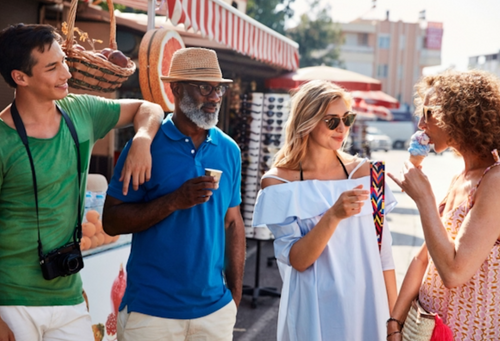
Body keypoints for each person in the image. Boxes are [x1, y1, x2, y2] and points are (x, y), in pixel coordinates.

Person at [0, 23, 164, 341]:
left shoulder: (82, 112)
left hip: (69, 296)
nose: (66, 74)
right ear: (20, 77)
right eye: (52, 67)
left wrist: (142, 139)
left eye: (63, 61)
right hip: (10, 301)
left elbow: (148, 108)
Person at [102, 47, 246, 341]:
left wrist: (235, 294)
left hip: (214, 311)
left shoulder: (228, 149)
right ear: (176, 88)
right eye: (205, 87)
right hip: (152, 312)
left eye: (218, 88)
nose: (215, 97)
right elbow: (111, 221)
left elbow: (232, 222)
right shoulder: (146, 145)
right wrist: (173, 201)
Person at [252, 79, 398, 341]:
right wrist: (332, 216)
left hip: (368, 304)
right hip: (313, 310)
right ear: (307, 121)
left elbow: (384, 255)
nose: (342, 128)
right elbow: (298, 260)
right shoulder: (278, 183)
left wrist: (396, 320)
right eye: (332, 120)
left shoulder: (370, 174)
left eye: (347, 118)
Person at [386, 70, 500, 341]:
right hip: (426, 331)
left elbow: (453, 272)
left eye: (428, 113)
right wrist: (394, 324)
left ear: (460, 115)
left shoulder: (495, 181)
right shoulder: (460, 178)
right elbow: (423, 258)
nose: (421, 125)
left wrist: (424, 199)